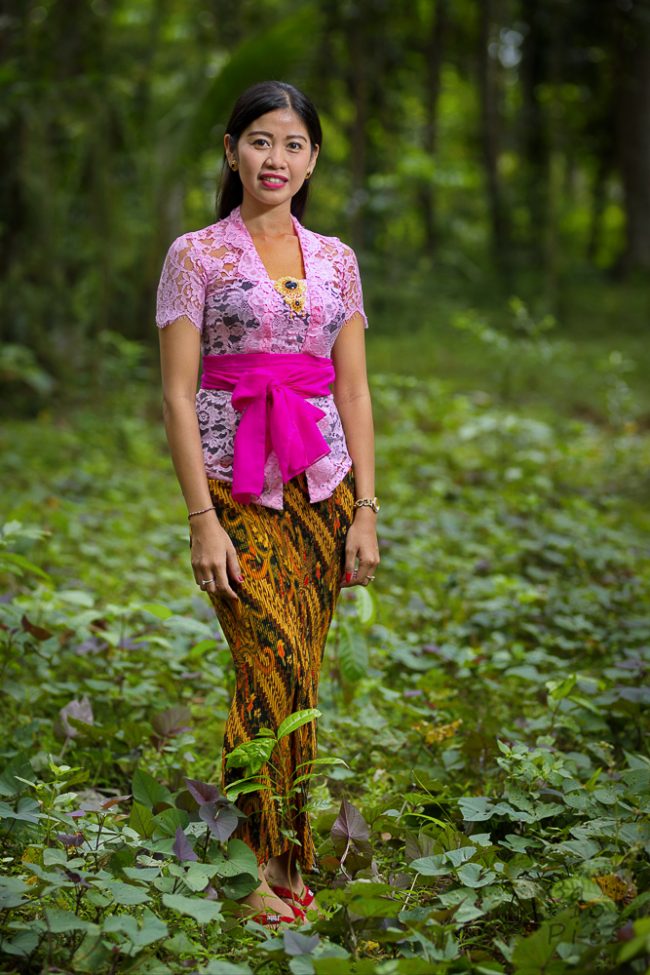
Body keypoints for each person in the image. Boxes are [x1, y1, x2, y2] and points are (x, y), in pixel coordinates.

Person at [155, 80, 379, 927]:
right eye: (259, 141)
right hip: (231, 482)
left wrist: (367, 506)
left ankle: (289, 853)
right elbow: (178, 396)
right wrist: (200, 520)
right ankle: (246, 861)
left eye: (292, 144)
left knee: (302, 675)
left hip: (322, 487)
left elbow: (354, 390)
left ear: (313, 159)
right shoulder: (197, 254)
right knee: (269, 658)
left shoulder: (337, 259)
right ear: (230, 150)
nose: (275, 158)